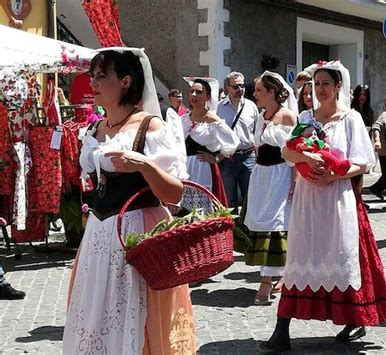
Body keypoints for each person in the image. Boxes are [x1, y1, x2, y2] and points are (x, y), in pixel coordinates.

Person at [63, 48, 195, 354]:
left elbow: (177, 194)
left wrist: (144, 165)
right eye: (92, 75)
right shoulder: (94, 129)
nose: (92, 82)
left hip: (139, 233)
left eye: (100, 76)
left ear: (125, 81)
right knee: (97, 310)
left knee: (138, 314)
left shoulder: (152, 127)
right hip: (98, 234)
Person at [261, 60, 386, 352]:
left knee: (342, 255)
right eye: (316, 84)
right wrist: (307, 159)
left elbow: (363, 161)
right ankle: (281, 328)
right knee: (301, 255)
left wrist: (335, 173)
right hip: (308, 199)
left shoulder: (350, 119)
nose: (320, 89)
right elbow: (286, 151)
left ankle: (354, 317)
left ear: (338, 87)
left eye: (325, 84)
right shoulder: (306, 117)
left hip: (337, 198)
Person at [239, 71, 297, 305]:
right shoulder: (263, 115)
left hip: (279, 174)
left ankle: (266, 281)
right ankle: (278, 274)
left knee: (276, 223)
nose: (255, 94)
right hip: (261, 175)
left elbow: (293, 151)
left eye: (259, 90)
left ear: (272, 92)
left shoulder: (287, 117)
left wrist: (294, 182)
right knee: (261, 221)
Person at [181, 77, 239, 206]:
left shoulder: (212, 120)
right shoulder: (183, 119)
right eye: (192, 91)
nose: (194, 95)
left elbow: (233, 141)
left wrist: (217, 158)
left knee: (204, 208)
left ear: (207, 97)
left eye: (199, 92)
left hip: (204, 169)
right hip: (185, 168)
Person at [216, 72, 259, 213]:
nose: (240, 89)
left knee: (251, 196)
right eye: (235, 86)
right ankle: (232, 231)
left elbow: (257, 132)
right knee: (229, 198)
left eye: (242, 85)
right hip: (227, 158)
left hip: (248, 156)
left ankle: (249, 229)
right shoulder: (218, 108)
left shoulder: (251, 106)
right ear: (227, 87)